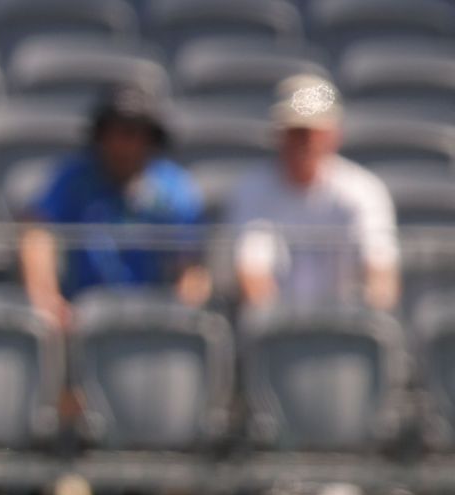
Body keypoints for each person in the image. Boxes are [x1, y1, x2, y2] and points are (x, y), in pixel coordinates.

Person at [20, 83, 209, 329]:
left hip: (154, 316)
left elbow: (192, 269)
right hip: (84, 317)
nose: (124, 145)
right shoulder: (74, 180)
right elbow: (36, 233)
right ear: (100, 136)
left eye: (133, 133)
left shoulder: (174, 189)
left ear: (150, 139)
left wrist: (183, 313)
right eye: (116, 132)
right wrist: (47, 301)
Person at [227, 74, 399, 313]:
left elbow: (380, 275)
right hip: (275, 333)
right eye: (294, 131)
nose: (303, 142)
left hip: (346, 327)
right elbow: (252, 275)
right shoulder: (253, 189)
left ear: (332, 135)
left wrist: (364, 318)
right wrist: (284, 330)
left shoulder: (363, 191)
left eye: (311, 132)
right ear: (279, 134)